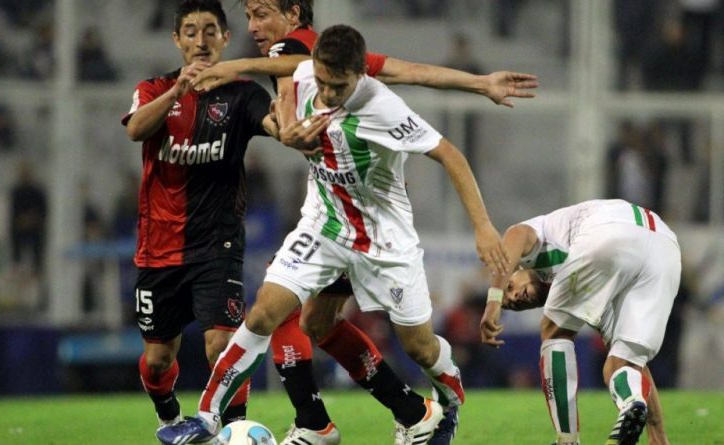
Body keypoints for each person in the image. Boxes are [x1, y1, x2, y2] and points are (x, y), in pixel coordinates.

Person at [191, 2, 538, 444]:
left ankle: (441, 404)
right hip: (324, 226)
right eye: (323, 83)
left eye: (339, 87)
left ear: (360, 75)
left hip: (382, 240)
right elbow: (290, 87)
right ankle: (207, 419)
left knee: (419, 347)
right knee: (271, 314)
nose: (329, 94)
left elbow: (448, 152)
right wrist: (283, 119)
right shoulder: (304, 73)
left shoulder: (383, 107)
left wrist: (484, 226)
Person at [121, 0, 278, 439]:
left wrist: (287, 107)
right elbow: (135, 129)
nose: (201, 40)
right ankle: (169, 417)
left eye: (211, 30)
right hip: (158, 248)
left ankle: (236, 429)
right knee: (158, 358)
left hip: (217, 244)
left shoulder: (243, 94)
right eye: (191, 31)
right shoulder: (153, 89)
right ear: (177, 40)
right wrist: (178, 93)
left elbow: (276, 126)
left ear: (226, 39)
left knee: (222, 345)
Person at [479, 199, 679, 445]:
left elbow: (516, 233)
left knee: (554, 333)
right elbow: (639, 367)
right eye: (514, 304)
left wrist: (494, 300)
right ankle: (632, 404)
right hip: (665, 249)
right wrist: (657, 432)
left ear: (518, 268)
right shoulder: (589, 289)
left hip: (609, 232)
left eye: (510, 286)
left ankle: (567, 440)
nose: (514, 296)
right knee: (623, 361)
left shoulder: (537, 247)